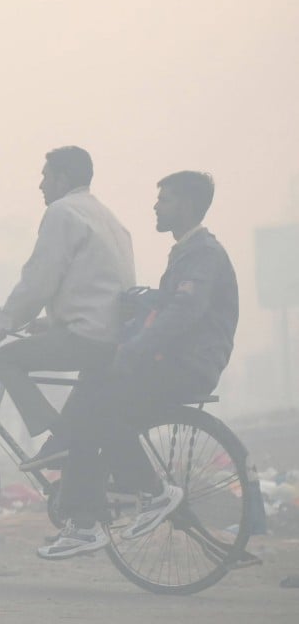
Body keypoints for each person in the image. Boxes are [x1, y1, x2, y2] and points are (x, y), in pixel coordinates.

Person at [39, 170, 238, 559]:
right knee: (94, 390)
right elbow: (162, 309)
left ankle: (149, 494)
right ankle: (79, 502)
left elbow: (182, 313)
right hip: (172, 361)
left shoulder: (203, 255)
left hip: (187, 366)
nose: (155, 206)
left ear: (187, 205)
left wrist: (130, 353)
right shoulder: (186, 251)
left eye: (164, 199)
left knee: (97, 406)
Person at [0, 146, 135, 470]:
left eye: (45, 176)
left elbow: (38, 282)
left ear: (62, 179)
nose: (41, 185)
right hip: (113, 336)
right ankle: (68, 459)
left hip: (88, 338)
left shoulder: (62, 212)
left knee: (6, 358)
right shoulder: (107, 216)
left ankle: (56, 432)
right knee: (83, 429)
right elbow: (95, 285)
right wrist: (52, 322)